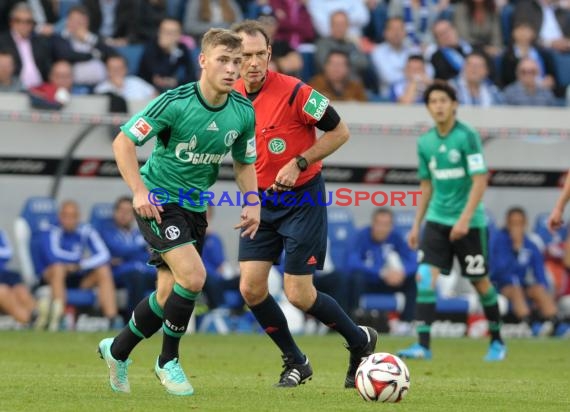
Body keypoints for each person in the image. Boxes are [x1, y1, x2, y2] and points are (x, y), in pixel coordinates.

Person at [97, 28, 260, 396]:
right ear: (203, 61)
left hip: (194, 207)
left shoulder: (242, 112)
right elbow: (123, 141)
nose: (233, 69)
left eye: (238, 61)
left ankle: (117, 350)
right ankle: (167, 360)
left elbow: (244, 162)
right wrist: (138, 191)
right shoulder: (175, 102)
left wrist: (253, 202)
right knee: (195, 277)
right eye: (223, 60)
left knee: (170, 292)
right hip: (157, 201)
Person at [231, 20, 377, 389]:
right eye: (244, 55)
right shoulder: (228, 95)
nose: (253, 62)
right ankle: (296, 360)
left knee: (298, 293)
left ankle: (359, 341)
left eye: (259, 54)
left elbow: (340, 131)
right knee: (250, 288)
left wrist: (299, 162)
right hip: (259, 200)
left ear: (269, 54)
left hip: (303, 198)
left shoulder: (296, 91)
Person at [396, 81, 506, 362]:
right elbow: (426, 187)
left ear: (454, 104)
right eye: (433, 101)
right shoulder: (425, 142)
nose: (439, 106)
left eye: (444, 100)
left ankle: (497, 342)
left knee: (480, 283)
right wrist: (416, 224)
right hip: (436, 220)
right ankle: (423, 345)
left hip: (469, 223)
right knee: (423, 277)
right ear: (429, 107)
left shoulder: (467, 135)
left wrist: (465, 219)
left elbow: (480, 180)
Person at [36, 200, 120, 332]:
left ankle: (112, 319)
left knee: (103, 270)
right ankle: (61, 317)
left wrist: (81, 264)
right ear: (60, 217)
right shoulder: (50, 230)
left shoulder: (86, 230)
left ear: (78, 217)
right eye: (66, 216)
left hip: (78, 275)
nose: (69, 220)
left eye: (73, 216)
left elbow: (104, 255)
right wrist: (75, 260)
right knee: (58, 267)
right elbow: (53, 255)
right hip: (53, 276)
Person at [490, 207, 560, 336]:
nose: (516, 227)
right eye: (513, 223)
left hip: (522, 285)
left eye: (519, 223)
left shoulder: (530, 245)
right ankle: (528, 323)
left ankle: (554, 322)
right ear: (507, 223)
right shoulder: (499, 241)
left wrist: (543, 288)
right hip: (502, 286)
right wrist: (515, 250)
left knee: (537, 289)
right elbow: (497, 270)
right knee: (515, 290)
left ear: (525, 224)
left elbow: (539, 271)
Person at [348, 208, 417, 329]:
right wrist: (380, 272)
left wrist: (402, 272)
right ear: (373, 224)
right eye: (379, 224)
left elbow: (413, 260)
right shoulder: (361, 236)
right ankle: (353, 321)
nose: (382, 229)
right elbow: (352, 262)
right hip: (369, 281)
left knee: (412, 280)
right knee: (355, 278)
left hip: (391, 282)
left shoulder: (396, 237)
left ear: (392, 226)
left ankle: (406, 324)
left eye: (386, 225)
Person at [98, 196, 156, 314]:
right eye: (121, 211)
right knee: (136, 276)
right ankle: (134, 318)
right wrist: (141, 248)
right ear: (115, 212)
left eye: (128, 211)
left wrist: (128, 256)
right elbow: (117, 249)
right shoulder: (106, 231)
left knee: (165, 274)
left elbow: (149, 256)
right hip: (117, 272)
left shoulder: (138, 233)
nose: (124, 215)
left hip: (142, 270)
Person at [0, 229, 36, 325]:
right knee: (2, 292)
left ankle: (39, 316)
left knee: (20, 290)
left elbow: (8, 253)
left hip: (3, 275)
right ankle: (29, 321)